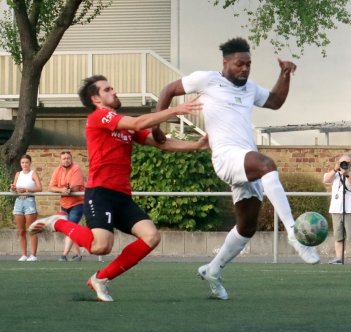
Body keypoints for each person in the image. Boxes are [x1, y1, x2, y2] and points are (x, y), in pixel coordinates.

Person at [152, 37, 320, 300]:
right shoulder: (206, 80)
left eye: (248, 65)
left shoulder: (250, 88)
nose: (245, 69)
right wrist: (156, 126)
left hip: (245, 158)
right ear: (226, 63)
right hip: (226, 157)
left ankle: (213, 270)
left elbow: (275, 101)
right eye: (240, 64)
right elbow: (168, 90)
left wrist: (285, 73)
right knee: (267, 164)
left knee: (247, 226)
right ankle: (293, 234)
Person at [29, 75, 209, 302]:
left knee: (151, 236)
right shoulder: (99, 117)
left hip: (122, 195)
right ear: (96, 98)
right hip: (100, 192)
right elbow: (136, 123)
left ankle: (101, 279)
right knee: (101, 246)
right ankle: (58, 222)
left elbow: (161, 143)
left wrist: (196, 145)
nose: (114, 92)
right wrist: (174, 110)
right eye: (108, 89)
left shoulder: (123, 124)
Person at [323, 153, 351, 265]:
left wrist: (347, 174)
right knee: (338, 236)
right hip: (336, 209)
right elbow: (326, 180)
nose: (344, 164)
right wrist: (335, 169)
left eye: (347, 162)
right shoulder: (335, 173)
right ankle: (338, 258)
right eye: (342, 163)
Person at [48, 151, 86, 262]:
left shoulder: (76, 169)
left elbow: (75, 188)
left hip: (77, 204)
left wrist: (66, 190)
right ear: (61, 160)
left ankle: (64, 255)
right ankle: (78, 255)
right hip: (64, 204)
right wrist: (61, 190)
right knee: (70, 230)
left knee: (70, 227)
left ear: (71, 159)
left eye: (68, 158)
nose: (66, 160)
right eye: (64, 158)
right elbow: (51, 187)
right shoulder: (57, 170)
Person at [10, 154, 42, 262]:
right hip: (18, 201)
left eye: (26, 162)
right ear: (20, 164)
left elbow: (39, 188)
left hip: (29, 200)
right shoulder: (18, 174)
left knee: (31, 229)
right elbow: (14, 189)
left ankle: (33, 255)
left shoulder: (33, 173)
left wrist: (27, 190)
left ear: (30, 163)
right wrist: (13, 188)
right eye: (23, 163)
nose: (24, 165)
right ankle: (23, 254)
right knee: (21, 231)